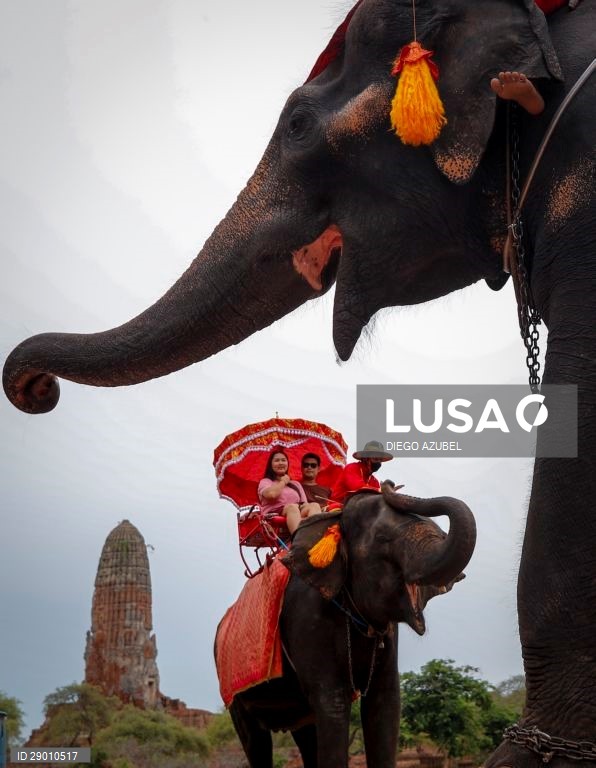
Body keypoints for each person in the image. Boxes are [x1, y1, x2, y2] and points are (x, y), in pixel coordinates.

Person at [257, 448, 322, 534]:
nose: (280, 463)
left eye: (283, 460)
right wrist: (283, 482)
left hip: (297, 512)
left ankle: (315, 537)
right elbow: (272, 494)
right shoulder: (266, 482)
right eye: (277, 460)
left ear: (287, 464)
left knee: (314, 505)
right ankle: (299, 541)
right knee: (292, 507)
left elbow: (304, 503)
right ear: (271, 465)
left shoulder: (295, 484)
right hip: (275, 514)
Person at [330, 440, 394, 507]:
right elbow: (358, 487)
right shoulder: (352, 468)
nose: (378, 463)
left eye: (380, 460)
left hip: (360, 509)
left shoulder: (374, 481)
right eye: (375, 459)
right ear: (366, 458)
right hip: (337, 506)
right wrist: (381, 490)